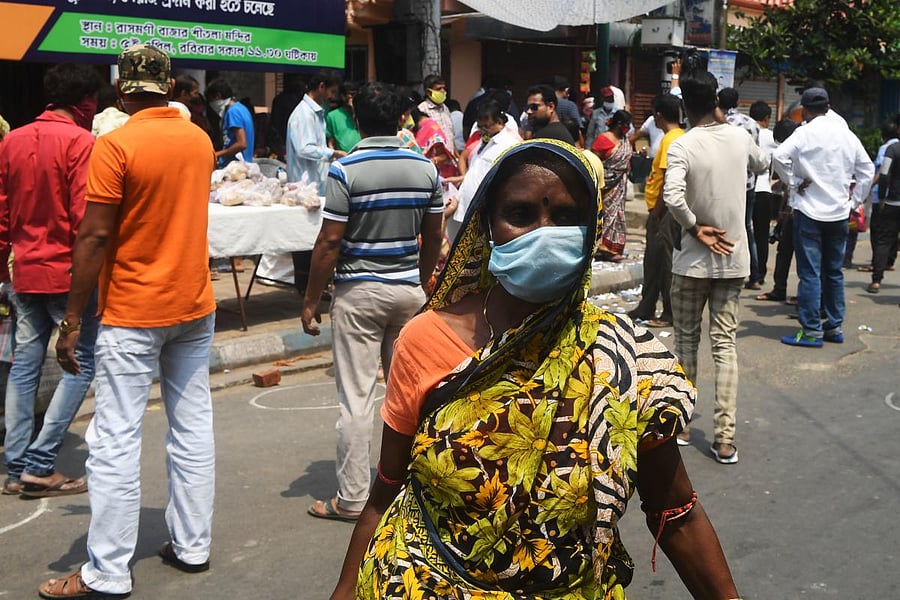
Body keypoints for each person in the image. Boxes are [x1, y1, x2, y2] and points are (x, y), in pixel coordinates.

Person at [327, 139, 742, 600]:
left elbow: (674, 509)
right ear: (487, 226)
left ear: (593, 229)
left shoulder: (625, 357)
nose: (543, 232)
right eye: (521, 215)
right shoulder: (426, 339)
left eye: (566, 218)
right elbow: (387, 487)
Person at [37, 44, 217, 599]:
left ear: (122, 91)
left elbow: (93, 236)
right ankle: (192, 545)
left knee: (114, 437)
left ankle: (107, 571)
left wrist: (71, 318)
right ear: (167, 87)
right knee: (192, 427)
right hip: (193, 303)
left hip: (135, 310)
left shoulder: (116, 145)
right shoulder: (200, 140)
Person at [302, 82, 443, 523]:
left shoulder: (347, 170)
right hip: (407, 292)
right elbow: (435, 236)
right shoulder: (426, 170)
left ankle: (352, 499)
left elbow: (328, 243)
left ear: (357, 120)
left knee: (356, 399)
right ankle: (418, 489)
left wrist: (310, 300)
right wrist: (419, 283)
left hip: (358, 294)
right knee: (413, 396)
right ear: (401, 118)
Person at [0, 62, 103, 498]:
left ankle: (15, 463)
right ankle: (39, 464)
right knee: (80, 365)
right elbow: (86, 221)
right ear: (84, 104)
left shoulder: (13, 140)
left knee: (24, 366)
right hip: (67, 274)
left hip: (23, 269)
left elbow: (3, 215)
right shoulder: (83, 143)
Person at [663, 64, 769, 464]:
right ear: (718, 103)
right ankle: (725, 440)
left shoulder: (683, 144)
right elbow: (763, 165)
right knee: (725, 347)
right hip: (733, 262)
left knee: (686, 342)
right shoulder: (740, 137)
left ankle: (683, 424)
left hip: (691, 263)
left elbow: (673, 198)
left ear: (686, 106)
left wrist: (694, 228)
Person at [771, 87, 873, 346]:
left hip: (809, 212)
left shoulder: (803, 133)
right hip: (839, 213)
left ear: (804, 109)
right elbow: (867, 169)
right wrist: (854, 201)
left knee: (810, 274)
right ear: (828, 106)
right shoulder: (846, 135)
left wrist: (793, 183)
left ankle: (812, 330)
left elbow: (779, 156)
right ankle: (834, 326)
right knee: (834, 272)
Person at [629, 94, 685, 327]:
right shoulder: (673, 137)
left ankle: (669, 313)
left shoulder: (672, 139)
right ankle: (646, 305)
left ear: (658, 115)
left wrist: (657, 211)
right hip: (659, 209)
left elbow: (666, 181)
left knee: (664, 262)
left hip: (664, 211)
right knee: (652, 260)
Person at [450, 100, 520, 241]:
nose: (482, 131)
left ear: (499, 122)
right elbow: (476, 173)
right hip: (466, 212)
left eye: (486, 127)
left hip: (487, 215)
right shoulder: (482, 143)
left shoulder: (510, 145)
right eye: (479, 127)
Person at [718, 87, 763, 290]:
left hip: (726, 184)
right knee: (746, 229)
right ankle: (754, 275)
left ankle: (727, 273)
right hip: (748, 185)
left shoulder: (719, 124)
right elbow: (758, 158)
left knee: (724, 228)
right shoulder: (751, 124)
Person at [757, 118, 800, 303]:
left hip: (802, 210)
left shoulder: (801, 152)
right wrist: (782, 211)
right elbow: (788, 186)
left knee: (804, 256)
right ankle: (779, 289)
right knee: (783, 251)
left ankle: (804, 296)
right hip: (791, 209)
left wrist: (787, 209)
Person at [592, 109, 633, 261]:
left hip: (620, 185)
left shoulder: (624, 140)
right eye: (627, 124)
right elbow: (595, 162)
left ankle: (613, 247)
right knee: (607, 215)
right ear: (619, 124)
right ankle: (603, 247)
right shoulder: (603, 139)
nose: (628, 128)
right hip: (606, 184)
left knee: (618, 215)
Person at [859, 122, 898, 273]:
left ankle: (877, 264)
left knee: (878, 233)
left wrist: (869, 186)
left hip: (881, 197)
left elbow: (883, 171)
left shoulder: (886, 149)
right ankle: (889, 260)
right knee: (892, 232)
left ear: (883, 136)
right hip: (895, 197)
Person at [868, 127, 900, 293]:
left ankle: (876, 280)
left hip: (893, 202)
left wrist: (881, 197)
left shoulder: (892, 149)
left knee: (883, 241)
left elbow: (885, 173)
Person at [750, 100, 776, 282]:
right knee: (761, 233)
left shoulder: (744, 132)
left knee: (744, 232)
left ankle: (748, 271)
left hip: (745, 188)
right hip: (764, 189)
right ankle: (759, 274)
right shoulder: (772, 137)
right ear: (767, 118)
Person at [206, 78, 255, 165]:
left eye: (211, 100)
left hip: (235, 166)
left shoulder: (233, 112)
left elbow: (242, 143)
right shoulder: (241, 109)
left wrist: (217, 154)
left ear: (218, 96)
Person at [417, 73, 455, 145]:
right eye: (438, 89)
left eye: (444, 88)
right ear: (428, 92)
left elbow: (450, 135)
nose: (442, 91)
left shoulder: (445, 108)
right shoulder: (422, 109)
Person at [326, 81, 362, 153]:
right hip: (343, 158)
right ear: (343, 96)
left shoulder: (363, 113)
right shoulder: (332, 116)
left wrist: (355, 110)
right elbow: (330, 142)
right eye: (351, 95)